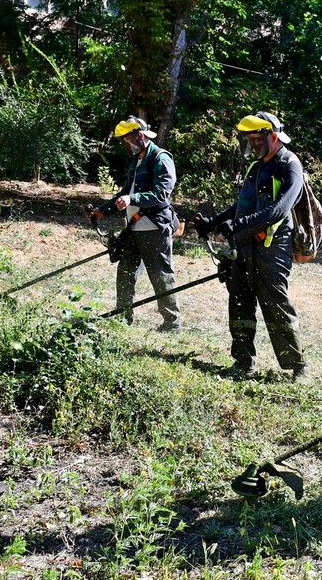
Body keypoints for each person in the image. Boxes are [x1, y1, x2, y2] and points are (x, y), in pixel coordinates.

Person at [193, 112, 307, 380]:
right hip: (243, 247)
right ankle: (243, 362)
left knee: (276, 305)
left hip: (272, 248)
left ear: (274, 137)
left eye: (258, 139)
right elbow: (241, 205)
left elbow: (279, 209)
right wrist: (214, 222)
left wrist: (241, 224)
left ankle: (298, 366)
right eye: (250, 140)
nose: (253, 145)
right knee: (240, 303)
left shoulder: (289, 165)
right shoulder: (255, 167)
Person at [86, 117, 181, 331]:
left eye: (127, 139)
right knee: (125, 273)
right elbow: (125, 193)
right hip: (134, 228)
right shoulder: (136, 160)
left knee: (161, 276)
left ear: (139, 135)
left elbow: (162, 193)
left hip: (155, 227)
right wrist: (103, 210)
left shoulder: (160, 158)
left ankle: (172, 323)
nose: (125, 145)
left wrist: (133, 199)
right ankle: (122, 317)